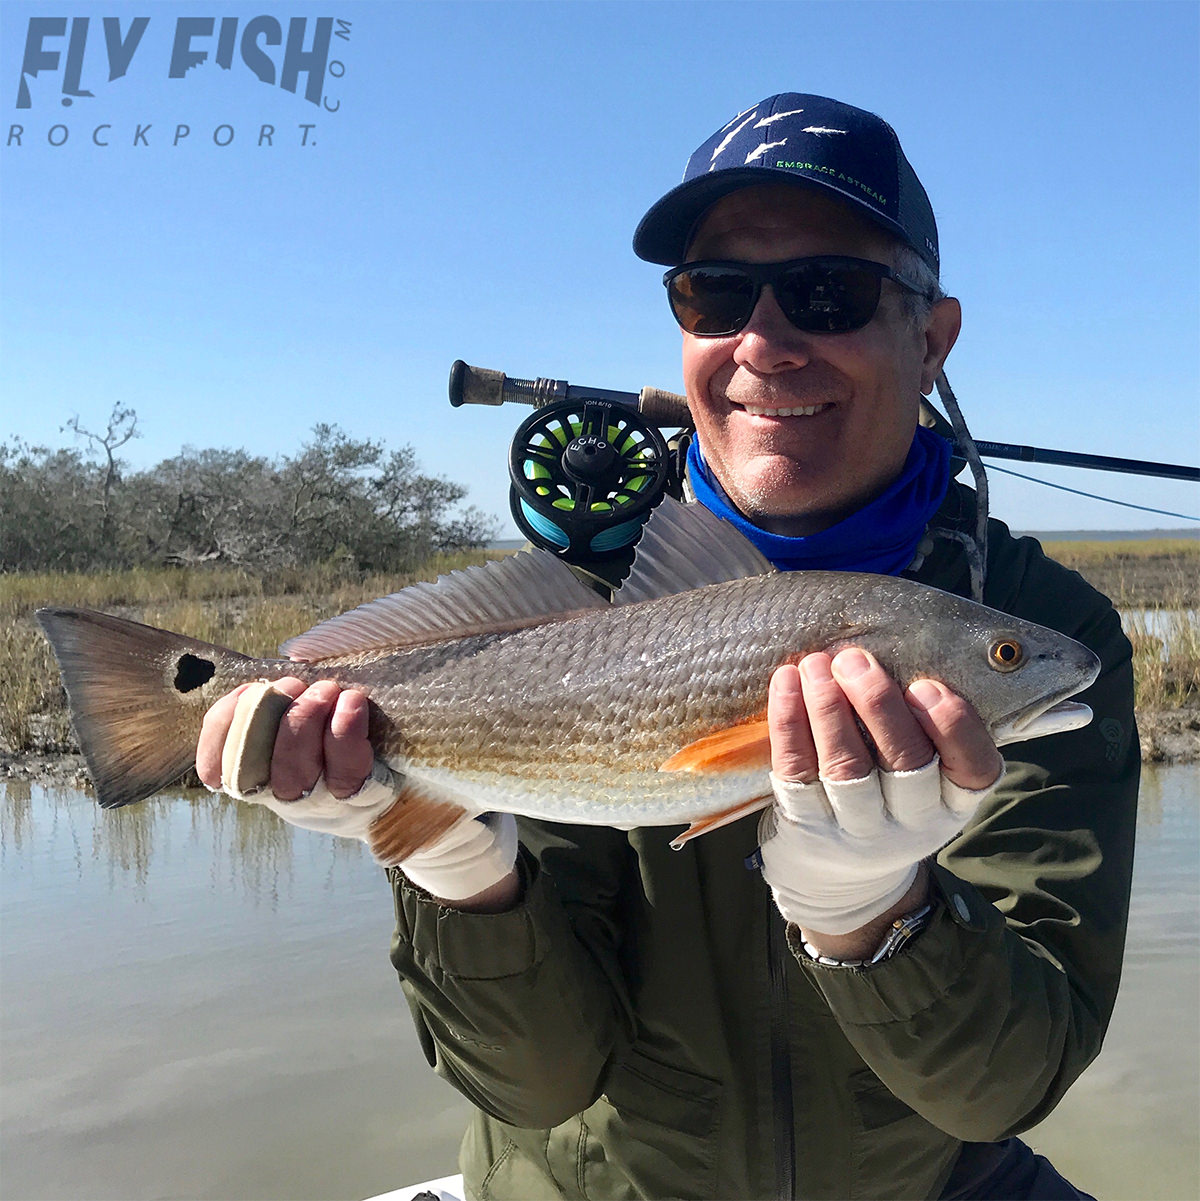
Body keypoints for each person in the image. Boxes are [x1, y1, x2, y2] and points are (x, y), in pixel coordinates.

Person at [196, 94, 1139, 1200]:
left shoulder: (1041, 630)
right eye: (716, 293)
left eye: (830, 292)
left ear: (931, 339)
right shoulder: (575, 610)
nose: (766, 343)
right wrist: (451, 860)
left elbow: (1001, 1087)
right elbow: (536, 1084)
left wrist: (877, 915)